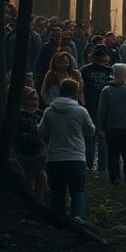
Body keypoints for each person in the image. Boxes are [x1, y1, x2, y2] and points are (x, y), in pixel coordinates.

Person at [38, 78, 95, 222]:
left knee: (57, 192)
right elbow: (90, 131)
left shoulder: (49, 110)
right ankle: (77, 218)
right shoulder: (81, 111)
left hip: (55, 158)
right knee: (78, 190)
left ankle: (58, 221)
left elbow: (42, 132)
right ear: (76, 93)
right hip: (76, 157)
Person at [97, 63, 126, 188]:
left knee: (112, 156)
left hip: (111, 128)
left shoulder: (106, 91)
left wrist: (100, 128)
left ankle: (114, 181)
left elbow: (102, 111)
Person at [80, 45, 113, 173]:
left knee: (90, 139)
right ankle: (102, 167)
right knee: (103, 140)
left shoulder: (84, 70)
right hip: (105, 110)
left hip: (90, 107)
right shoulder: (110, 71)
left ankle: (89, 166)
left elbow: (81, 90)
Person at [14, 88, 48, 202]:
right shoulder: (18, 115)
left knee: (40, 175)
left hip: (40, 150)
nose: (34, 102)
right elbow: (17, 134)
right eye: (30, 99)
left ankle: (38, 199)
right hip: (24, 150)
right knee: (28, 176)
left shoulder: (41, 114)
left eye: (36, 100)